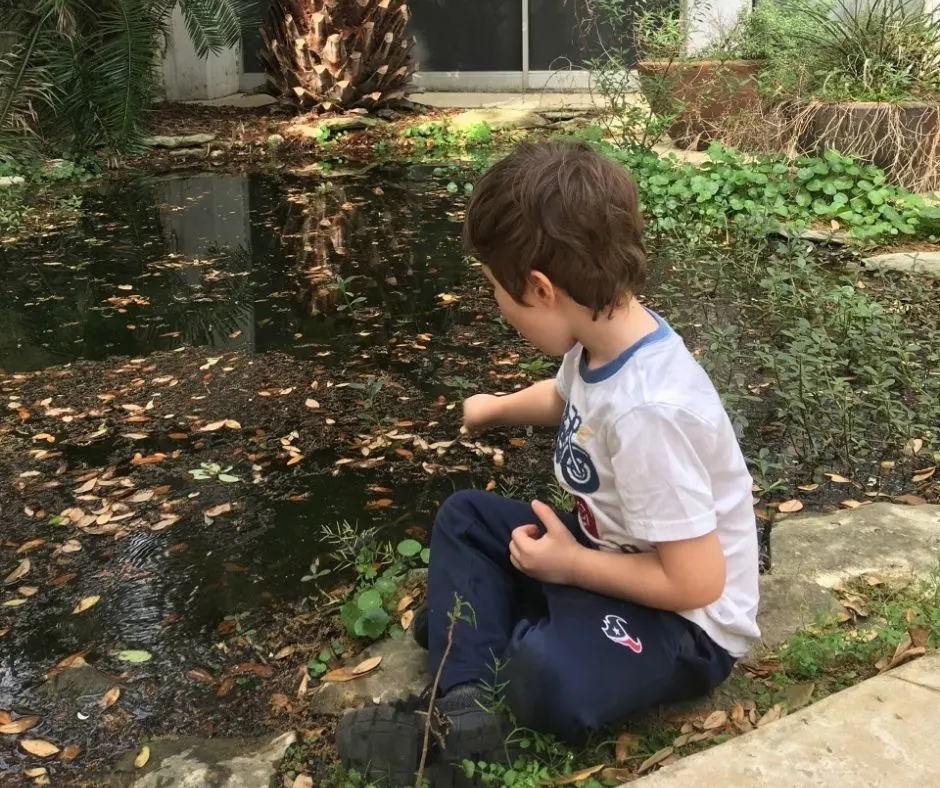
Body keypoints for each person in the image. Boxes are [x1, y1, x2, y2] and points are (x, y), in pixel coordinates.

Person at [336, 140, 760, 786]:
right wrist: (494, 407)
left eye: (496, 295)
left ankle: (479, 657)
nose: (497, 310)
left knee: (545, 672)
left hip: (683, 625)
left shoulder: (648, 411)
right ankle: (464, 707)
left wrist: (569, 565)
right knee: (465, 518)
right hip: (608, 553)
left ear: (539, 288)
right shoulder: (604, 335)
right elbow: (565, 397)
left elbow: (697, 581)